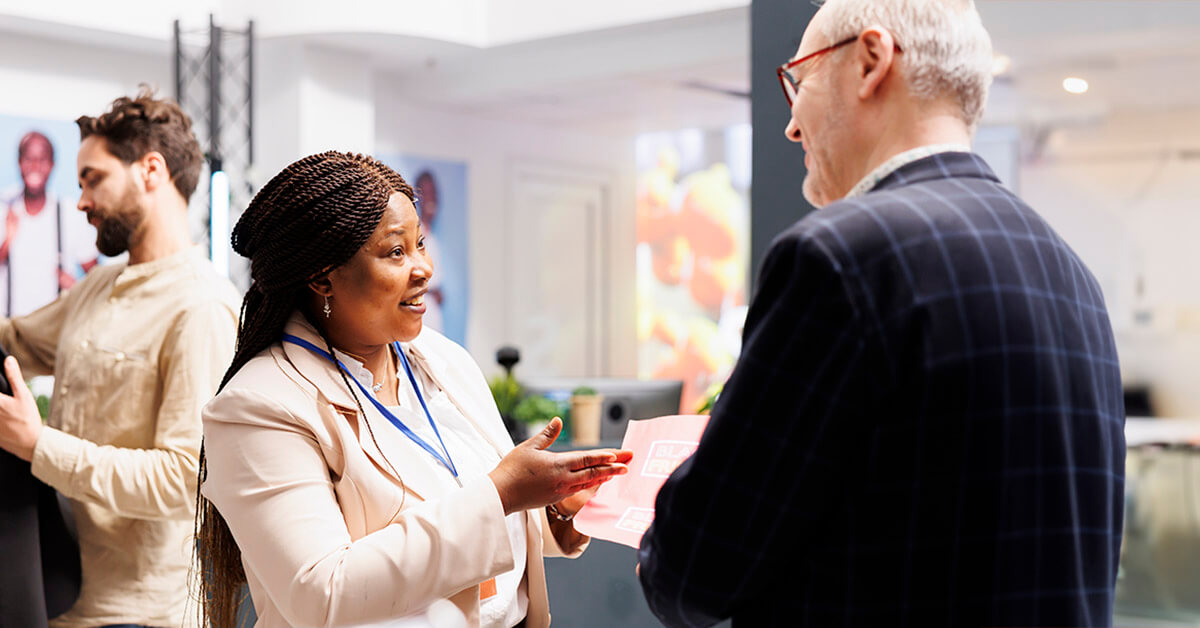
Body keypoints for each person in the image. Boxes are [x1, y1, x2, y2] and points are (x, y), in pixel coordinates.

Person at [637, 1, 1125, 626]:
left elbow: (694, 571)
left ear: (871, 61)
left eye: (800, 80)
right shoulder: (1068, 271)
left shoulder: (840, 256)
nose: (790, 125)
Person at [197, 151, 632, 628]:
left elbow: (476, 523)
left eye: (420, 244)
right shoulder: (259, 406)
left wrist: (553, 512)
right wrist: (501, 495)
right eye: (395, 252)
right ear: (323, 277)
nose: (423, 267)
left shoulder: (443, 360)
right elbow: (322, 593)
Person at [0, 90, 240, 627]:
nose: (81, 201)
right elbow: (13, 340)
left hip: (140, 615)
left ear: (150, 170)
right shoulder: (99, 287)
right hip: (59, 600)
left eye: (93, 179)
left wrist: (37, 443)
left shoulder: (202, 307)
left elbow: (182, 479)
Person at [1, 131, 98, 317]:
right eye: (28, 158)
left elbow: (96, 276)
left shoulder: (70, 214)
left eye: (42, 159)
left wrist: (77, 288)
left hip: (53, 333)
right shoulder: (5, 209)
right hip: (7, 332)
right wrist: (7, 242)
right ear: (19, 162)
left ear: (52, 164)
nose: (35, 166)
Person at [414, 170, 445, 333]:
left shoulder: (432, 235)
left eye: (432, 192)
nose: (430, 198)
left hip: (433, 313)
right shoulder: (414, 232)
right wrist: (432, 290)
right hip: (420, 313)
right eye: (425, 193)